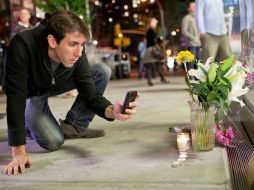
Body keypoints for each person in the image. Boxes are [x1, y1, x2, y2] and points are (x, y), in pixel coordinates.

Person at [2, 10, 138, 176]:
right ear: (52, 41)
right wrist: (18, 153)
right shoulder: (23, 44)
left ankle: (73, 126)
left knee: (101, 70)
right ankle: (29, 123)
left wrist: (112, 111)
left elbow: (90, 94)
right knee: (53, 141)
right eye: (73, 44)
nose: (79, 52)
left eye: (82, 45)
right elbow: (15, 98)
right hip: (30, 92)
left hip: (54, 82)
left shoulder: (78, 54)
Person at [181, 1, 201, 73]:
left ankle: (197, 78)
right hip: (191, 44)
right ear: (188, 8)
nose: (194, 7)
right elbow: (184, 31)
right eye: (192, 6)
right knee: (191, 61)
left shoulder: (198, 18)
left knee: (199, 62)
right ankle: (190, 77)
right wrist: (193, 38)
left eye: (195, 6)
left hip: (199, 43)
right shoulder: (186, 18)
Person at [143, 18, 159, 86]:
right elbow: (152, 41)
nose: (156, 23)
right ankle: (149, 79)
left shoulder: (150, 31)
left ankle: (150, 79)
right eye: (154, 22)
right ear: (151, 23)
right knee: (150, 65)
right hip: (151, 50)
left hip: (149, 49)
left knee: (151, 65)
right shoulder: (151, 31)